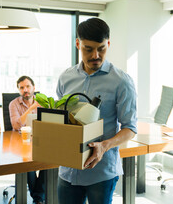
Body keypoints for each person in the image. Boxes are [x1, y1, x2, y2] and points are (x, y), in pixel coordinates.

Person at [56, 18, 137, 204]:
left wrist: (105, 145)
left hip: (101, 174)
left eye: (101, 48)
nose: (95, 55)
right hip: (68, 171)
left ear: (108, 43)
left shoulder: (122, 81)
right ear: (78, 44)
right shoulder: (65, 78)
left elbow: (130, 129)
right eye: (88, 49)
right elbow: (62, 120)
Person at [9, 76, 45, 204]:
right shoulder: (13, 104)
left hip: (41, 140)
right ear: (18, 90)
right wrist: (31, 108)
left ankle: (37, 196)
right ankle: (38, 198)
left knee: (48, 162)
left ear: (34, 88)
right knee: (27, 162)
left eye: (28, 86)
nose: (25, 90)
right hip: (21, 143)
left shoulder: (43, 102)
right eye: (22, 87)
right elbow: (16, 126)